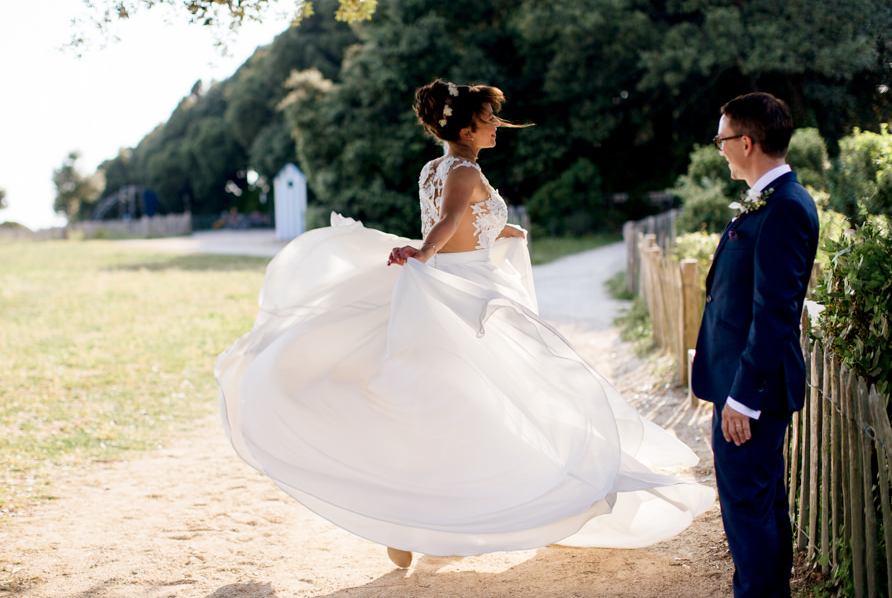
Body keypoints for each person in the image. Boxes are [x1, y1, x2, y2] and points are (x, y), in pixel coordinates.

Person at [216, 80, 714, 570]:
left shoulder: (433, 169)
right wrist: (424, 250)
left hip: (445, 285)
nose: (497, 126)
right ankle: (518, 501)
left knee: (448, 406)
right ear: (468, 129)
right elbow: (450, 220)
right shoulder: (464, 172)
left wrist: (503, 231)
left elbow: (467, 220)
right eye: (489, 120)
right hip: (469, 294)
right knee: (514, 395)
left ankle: (417, 522)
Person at [691, 92, 819, 598]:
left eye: (722, 140)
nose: (719, 150)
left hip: (755, 394)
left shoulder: (785, 207)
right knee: (756, 513)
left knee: (749, 516)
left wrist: (743, 398)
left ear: (747, 142)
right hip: (740, 382)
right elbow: (738, 297)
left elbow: (774, 313)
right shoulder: (767, 200)